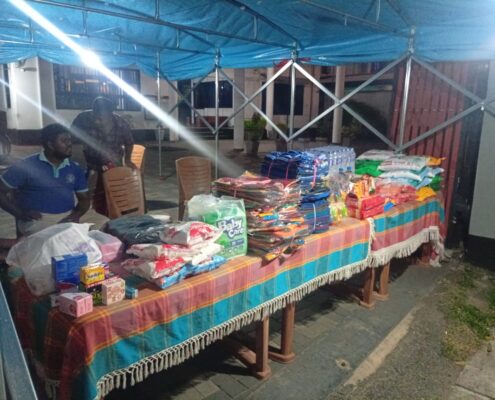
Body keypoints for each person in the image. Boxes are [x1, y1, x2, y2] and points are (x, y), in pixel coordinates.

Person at [0, 123, 90, 237]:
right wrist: (20, 213)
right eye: (64, 140)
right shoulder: (26, 166)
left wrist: (75, 215)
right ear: (50, 145)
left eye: (69, 140)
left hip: (66, 220)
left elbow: (84, 199)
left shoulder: (75, 168)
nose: (69, 144)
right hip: (36, 222)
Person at [71, 96, 136, 216]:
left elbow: (129, 143)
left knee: (114, 190)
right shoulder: (83, 119)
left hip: (112, 162)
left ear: (110, 114)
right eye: (96, 116)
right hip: (90, 161)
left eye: (102, 117)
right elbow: (72, 138)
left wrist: (128, 160)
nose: (98, 121)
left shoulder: (121, 124)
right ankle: (80, 214)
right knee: (87, 192)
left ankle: (114, 213)